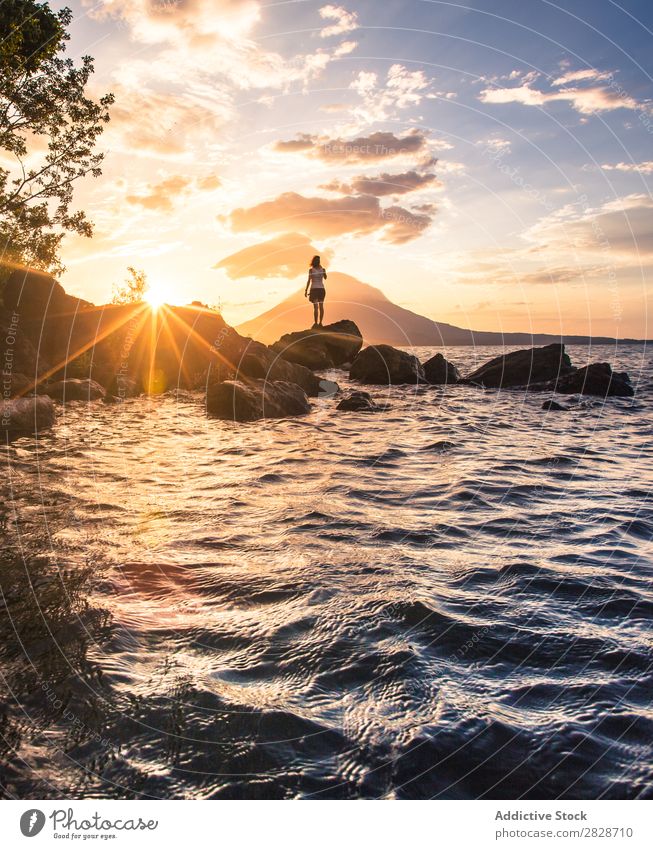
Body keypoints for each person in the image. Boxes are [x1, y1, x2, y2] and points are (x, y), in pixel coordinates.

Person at [304, 255, 327, 327]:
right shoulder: (323, 269)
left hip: (314, 289)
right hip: (321, 289)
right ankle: (320, 323)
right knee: (321, 306)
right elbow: (325, 278)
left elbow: (309, 281)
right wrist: (323, 271)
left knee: (316, 307)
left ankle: (316, 323)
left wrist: (306, 290)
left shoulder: (311, 270)